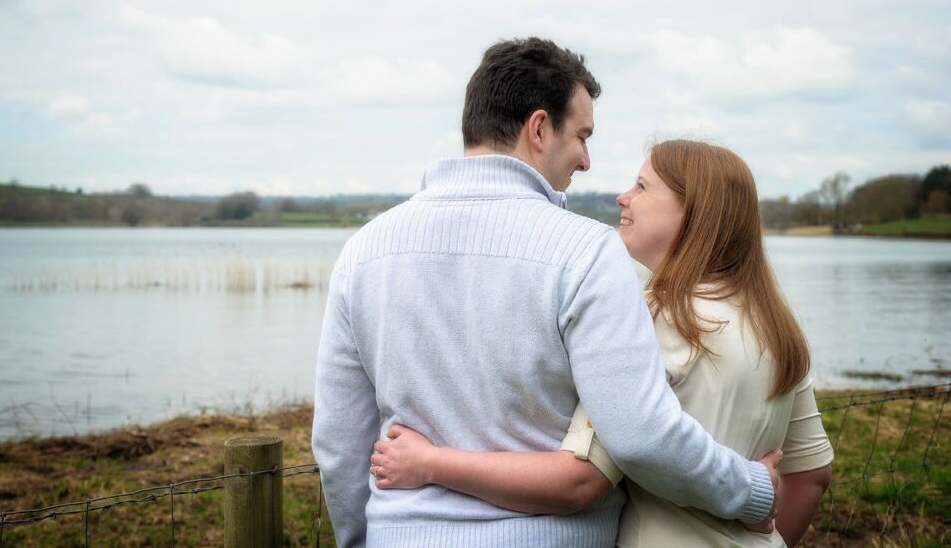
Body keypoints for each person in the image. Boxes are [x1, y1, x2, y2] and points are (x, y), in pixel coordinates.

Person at [312, 38, 778, 548]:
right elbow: (641, 435)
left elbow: (339, 443)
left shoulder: (364, 250)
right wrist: (753, 490)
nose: (586, 161)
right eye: (582, 136)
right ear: (538, 129)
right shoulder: (588, 252)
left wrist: (361, 539)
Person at [369, 140, 834, 547]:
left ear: (693, 211)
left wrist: (430, 463)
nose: (622, 197)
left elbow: (579, 481)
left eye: (642, 187)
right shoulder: (777, 328)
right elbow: (811, 476)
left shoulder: (651, 318)